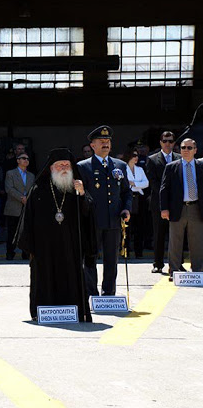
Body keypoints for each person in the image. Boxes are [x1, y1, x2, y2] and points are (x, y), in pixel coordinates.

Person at [18, 148, 96, 322]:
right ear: (51, 168)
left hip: (71, 244)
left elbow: (88, 214)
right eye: (59, 165)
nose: (64, 168)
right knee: (44, 276)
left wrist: (83, 194)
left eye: (67, 165)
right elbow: (28, 219)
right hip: (45, 248)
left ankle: (76, 310)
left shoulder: (76, 188)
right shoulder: (38, 189)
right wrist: (30, 246)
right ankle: (43, 312)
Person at [77, 126, 132, 296]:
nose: (105, 144)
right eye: (101, 142)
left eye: (107, 141)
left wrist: (126, 208)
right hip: (92, 221)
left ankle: (109, 294)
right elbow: (79, 196)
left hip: (114, 220)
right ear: (92, 145)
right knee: (90, 259)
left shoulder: (120, 165)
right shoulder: (83, 166)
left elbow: (126, 192)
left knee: (111, 260)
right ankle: (91, 294)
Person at [160, 138, 203, 281]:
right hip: (177, 208)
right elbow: (164, 189)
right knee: (175, 241)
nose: (186, 150)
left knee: (197, 241)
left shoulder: (201, 166)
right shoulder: (172, 167)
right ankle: (174, 270)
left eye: (189, 148)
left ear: (195, 150)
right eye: (183, 147)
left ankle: (198, 270)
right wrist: (164, 208)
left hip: (196, 207)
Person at [145, 131, 181, 273]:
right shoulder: (152, 159)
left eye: (171, 141)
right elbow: (153, 182)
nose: (168, 144)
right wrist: (166, 195)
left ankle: (178, 263)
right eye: (165, 141)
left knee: (177, 235)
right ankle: (158, 263)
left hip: (176, 203)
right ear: (160, 142)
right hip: (158, 203)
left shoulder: (179, 158)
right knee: (159, 234)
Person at [4, 152, 34, 260]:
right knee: (12, 232)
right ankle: (10, 253)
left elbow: (32, 189)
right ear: (18, 160)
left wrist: (28, 198)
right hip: (14, 207)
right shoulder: (10, 173)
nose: (26, 160)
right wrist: (22, 198)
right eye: (23, 158)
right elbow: (9, 189)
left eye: (27, 159)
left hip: (27, 207)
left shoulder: (31, 175)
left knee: (26, 231)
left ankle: (25, 253)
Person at [123, 147, 149, 259]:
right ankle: (126, 251)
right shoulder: (123, 169)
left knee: (140, 226)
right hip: (129, 198)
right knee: (128, 227)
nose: (136, 158)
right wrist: (137, 184)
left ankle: (139, 252)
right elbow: (125, 184)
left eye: (137, 155)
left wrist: (134, 184)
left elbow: (146, 183)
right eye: (134, 155)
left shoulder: (140, 169)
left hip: (139, 199)